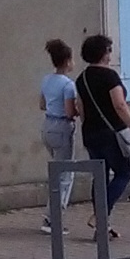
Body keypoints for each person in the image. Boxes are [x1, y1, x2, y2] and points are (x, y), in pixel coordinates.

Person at [75, 33, 130, 234]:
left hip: (90, 132)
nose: (111, 54)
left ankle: (102, 225)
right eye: (109, 50)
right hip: (111, 133)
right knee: (123, 173)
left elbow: (81, 108)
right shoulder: (110, 76)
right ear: (104, 53)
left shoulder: (82, 78)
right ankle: (100, 215)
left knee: (100, 176)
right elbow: (120, 105)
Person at [37, 39, 81, 231]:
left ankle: (50, 214)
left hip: (47, 125)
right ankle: (53, 218)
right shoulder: (68, 85)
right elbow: (70, 111)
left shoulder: (47, 80)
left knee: (56, 172)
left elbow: (42, 104)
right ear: (67, 61)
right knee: (65, 175)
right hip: (62, 127)